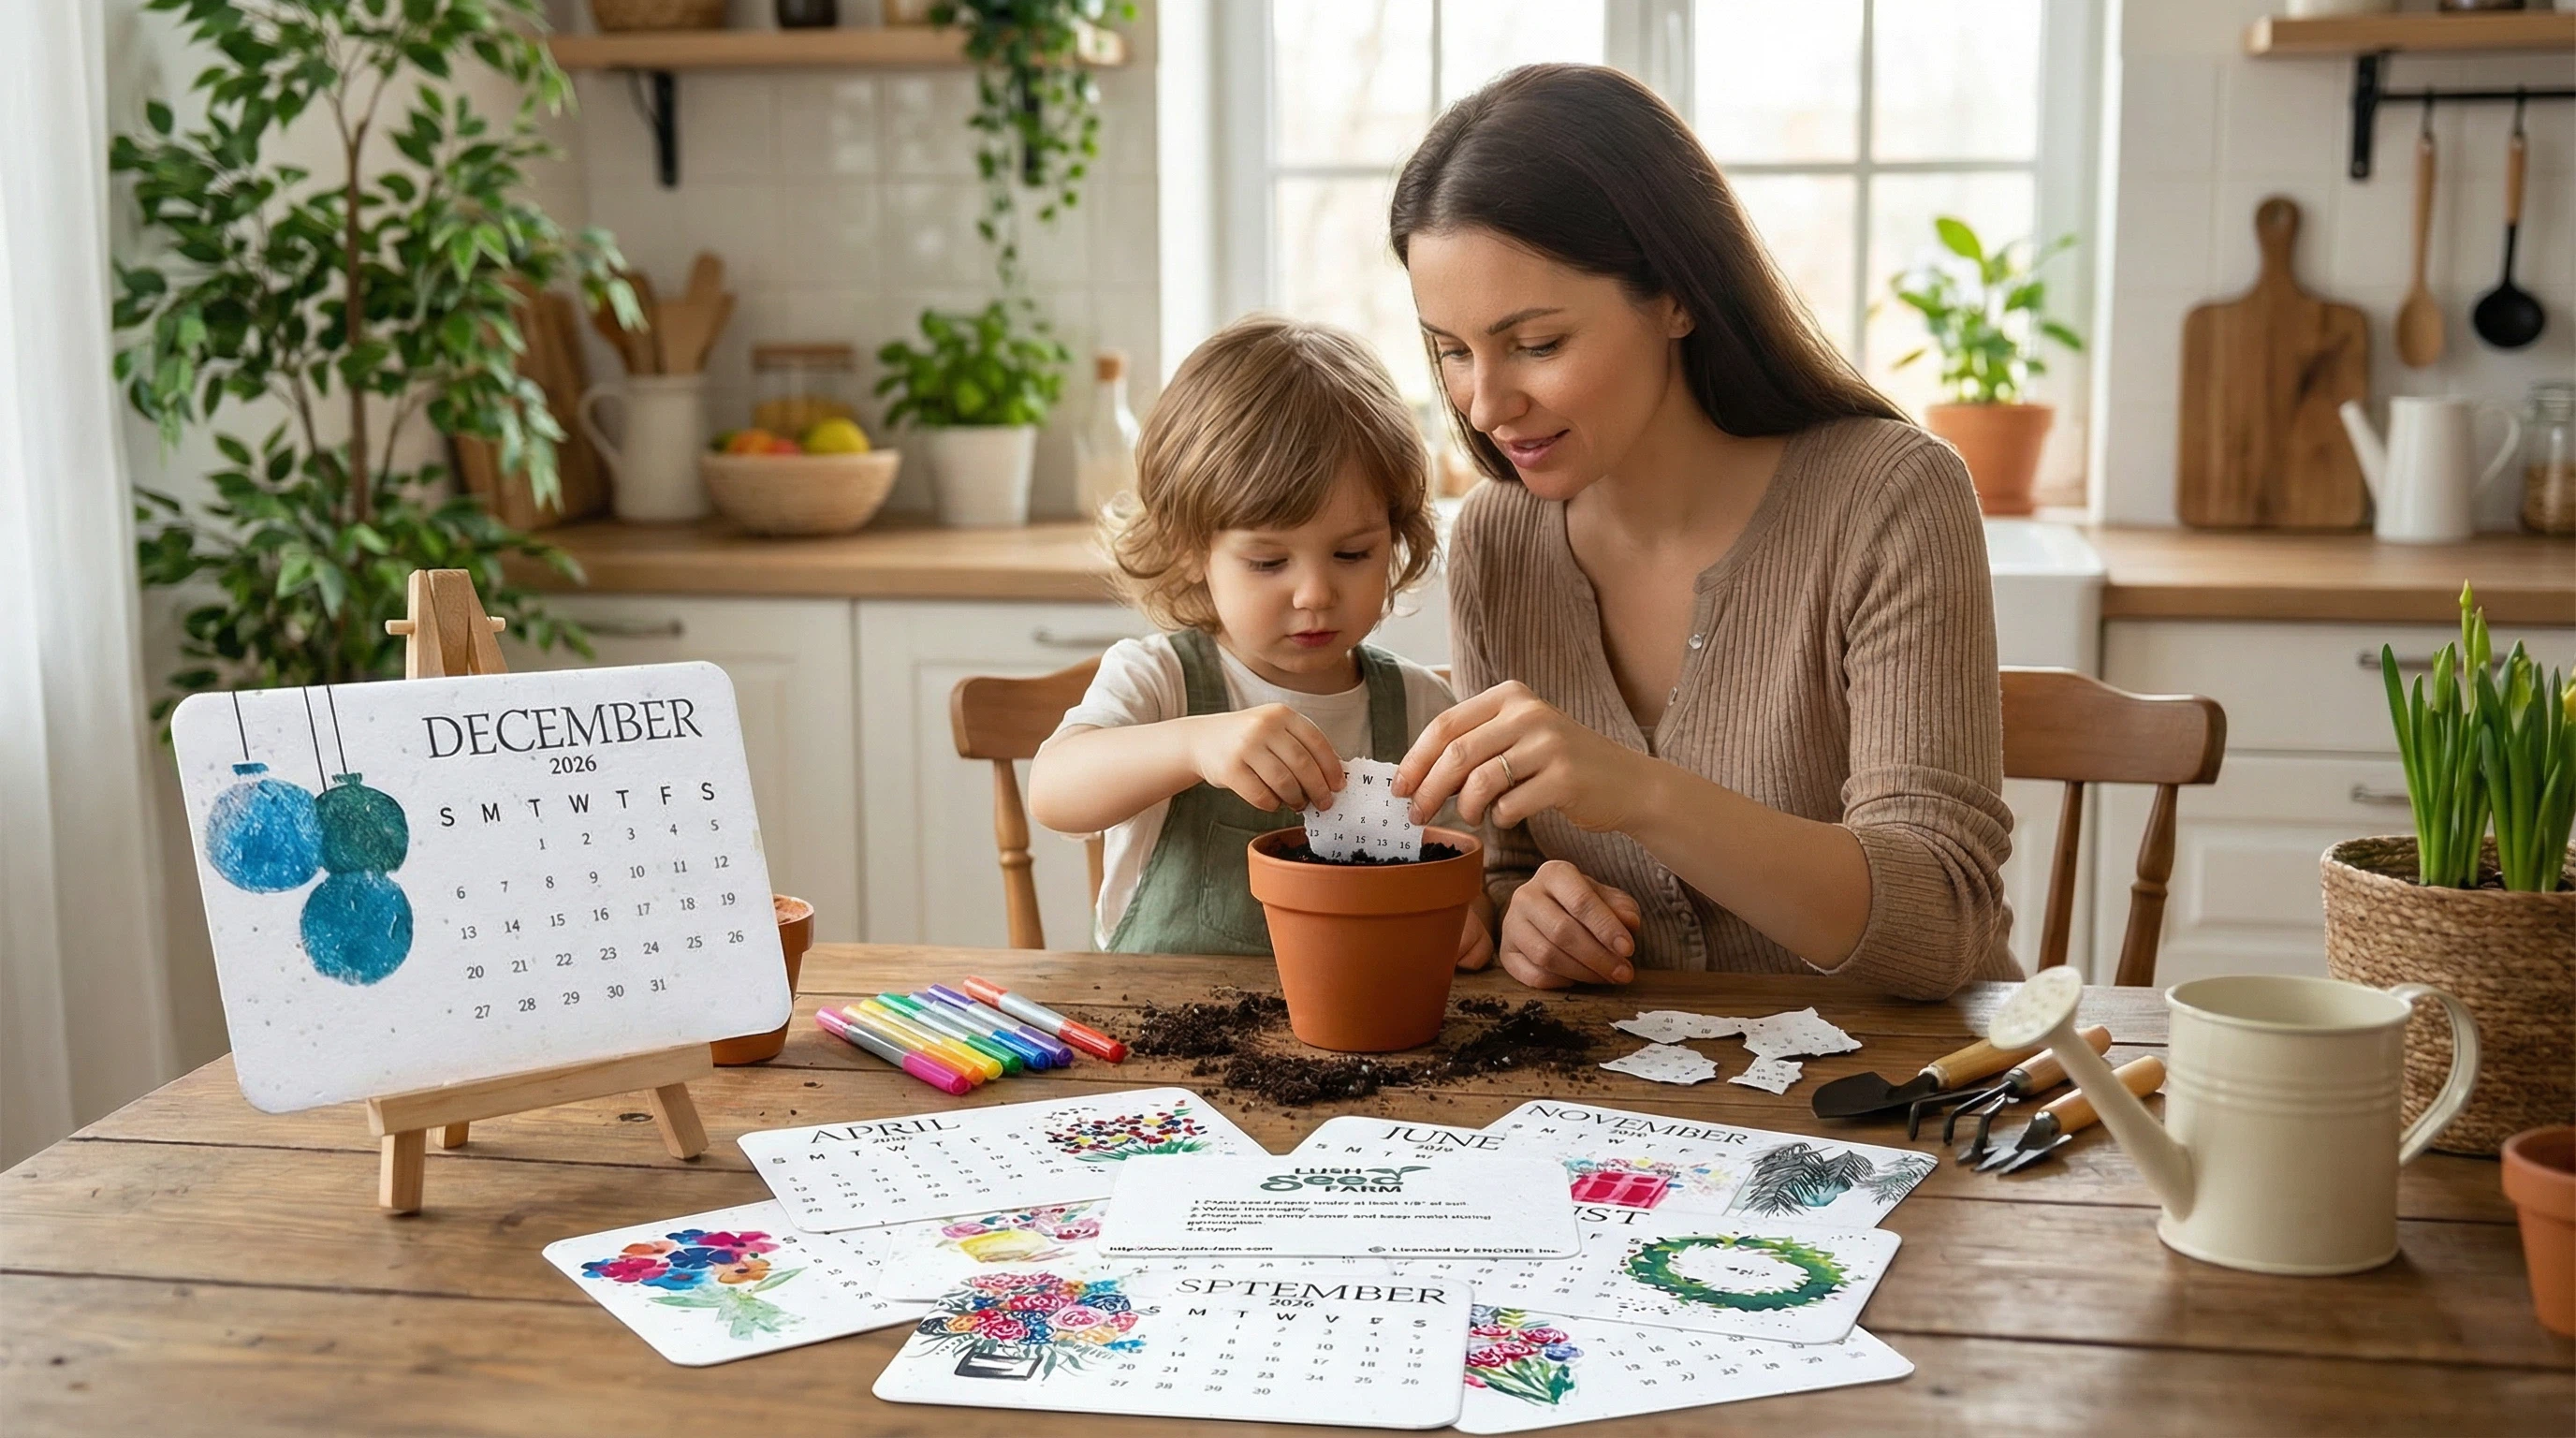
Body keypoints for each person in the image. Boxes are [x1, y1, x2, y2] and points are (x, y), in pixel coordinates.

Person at [1387, 64, 2016, 1001]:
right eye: (1451, 351)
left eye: (1536, 343)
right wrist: (1534, 916)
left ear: (1676, 296)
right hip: (1627, 1115)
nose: (1485, 403)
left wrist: (1640, 794)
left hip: (1899, 1099)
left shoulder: (1889, 496)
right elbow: (1510, 867)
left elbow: (1942, 924)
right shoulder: (1497, 541)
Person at [1028, 315, 1480, 963]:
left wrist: (1465, 920)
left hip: (1359, 1039)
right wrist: (1195, 743)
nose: (1315, 593)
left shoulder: (1418, 707)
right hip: (1160, 1036)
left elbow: (1469, 876)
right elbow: (1054, 793)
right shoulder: (1160, 681)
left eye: (1353, 553)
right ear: (1190, 550)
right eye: (1269, 563)